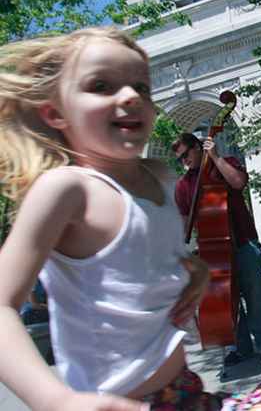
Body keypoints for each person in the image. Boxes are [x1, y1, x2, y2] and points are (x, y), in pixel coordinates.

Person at [0, 27, 224, 410]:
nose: (131, 96)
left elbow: (143, 263)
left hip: (185, 390)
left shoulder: (159, 177)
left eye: (142, 87)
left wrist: (194, 271)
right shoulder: (66, 190)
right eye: (101, 85)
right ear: (55, 112)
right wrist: (57, 401)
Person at [172, 132, 261, 367]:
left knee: (254, 294)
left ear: (199, 147)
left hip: (242, 241)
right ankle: (237, 347)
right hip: (211, 249)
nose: (184, 162)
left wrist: (216, 157)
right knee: (226, 300)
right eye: (179, 160)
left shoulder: (225, 162)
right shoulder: (183, 185)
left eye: (186, 155)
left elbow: (239, 182)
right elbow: (181, 222)